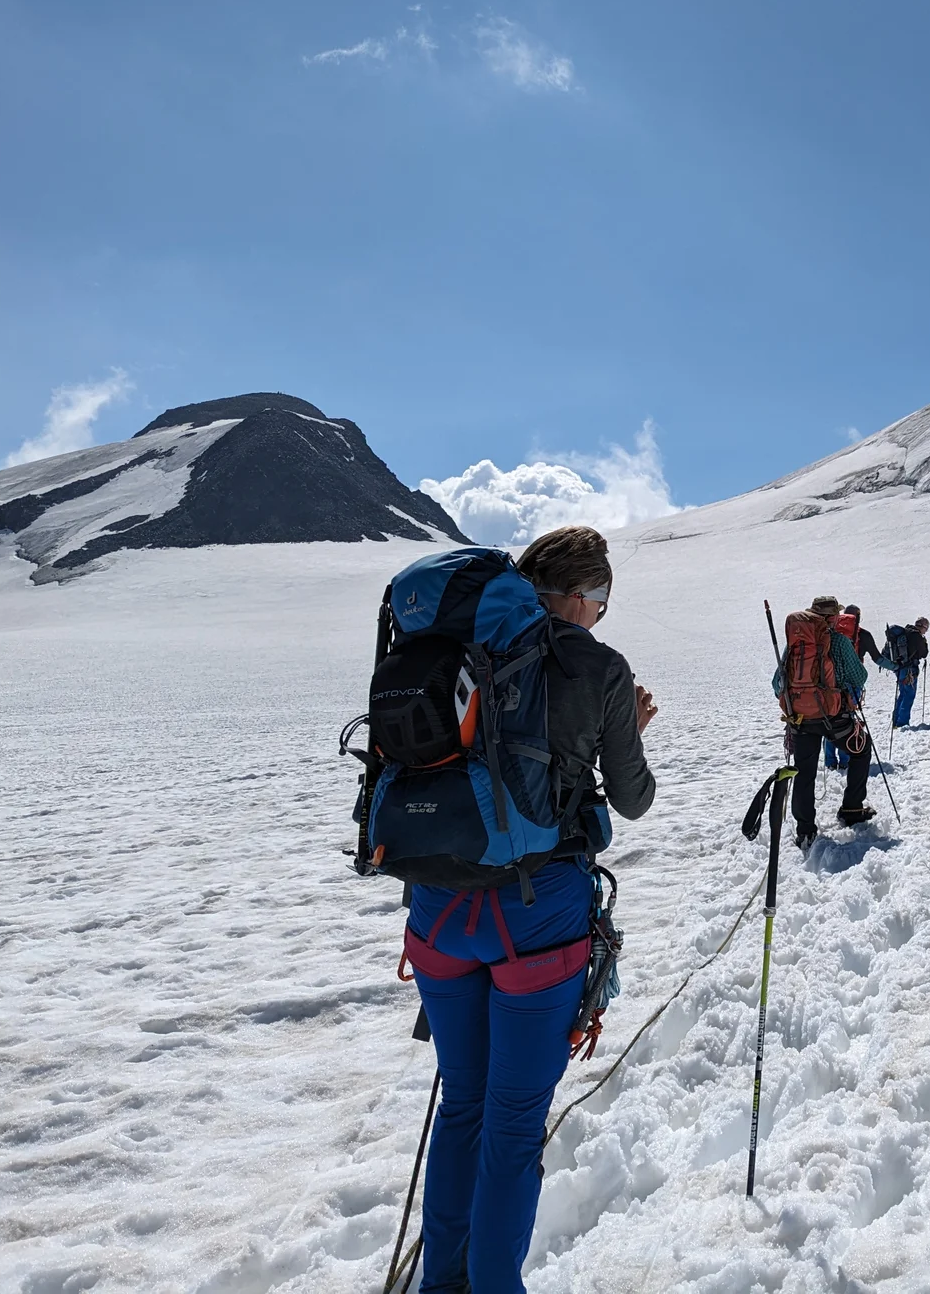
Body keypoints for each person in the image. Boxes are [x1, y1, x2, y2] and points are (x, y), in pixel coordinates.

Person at [405, 526, 657, 1294]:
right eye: (602, 601)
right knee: (512, 1129)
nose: (602, 616)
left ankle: (439, 1284)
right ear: (579, 598)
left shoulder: (449, 645)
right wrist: (629, 730)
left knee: (463, 1107)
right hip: (537, 918)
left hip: (438, 908)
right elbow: (635, 799)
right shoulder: (599, 667)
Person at [782, 595, 876, 844]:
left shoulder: (794, 644)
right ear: (833, 617)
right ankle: (852, 809)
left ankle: (805, 829)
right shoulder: (839, 641)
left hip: (800, 717)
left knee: (804, 772)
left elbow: (777, 682)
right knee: (861, 749)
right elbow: (860, 676)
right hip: (834, 715)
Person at [823, 605, 883, 771]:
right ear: (858, 617)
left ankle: (829, 761)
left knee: (827, 719)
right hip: (852, 685)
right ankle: (845, 759)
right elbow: (875, 659)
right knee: (846, 719)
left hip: (828, 684)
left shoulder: (829, 634)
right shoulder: (862, 635)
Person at [888, 617, 930, 728]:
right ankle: (902, 723)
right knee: (908, 695)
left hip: (899, 668)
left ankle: (896, 721)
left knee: (903, 694)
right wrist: (924, 642)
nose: (925, 632)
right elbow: (924, 653)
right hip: (909, 670)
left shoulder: (905, 632)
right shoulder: (916, 636)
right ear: (923, 627)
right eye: (926, 629)